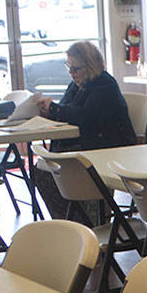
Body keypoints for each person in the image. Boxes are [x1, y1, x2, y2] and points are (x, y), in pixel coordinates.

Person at [31, 40, 136, 219]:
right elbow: (67, 109)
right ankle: (71, 221)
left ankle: (84, 222)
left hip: (108, 148)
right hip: (86, 145)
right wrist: (50, 111)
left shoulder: (105, 85)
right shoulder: (78, 84)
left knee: (55, 171)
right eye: (69, 68)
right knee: (42, 171)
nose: (71, 73)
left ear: (91, 66)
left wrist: (56, 109)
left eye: (76, 69)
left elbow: (86, 117)